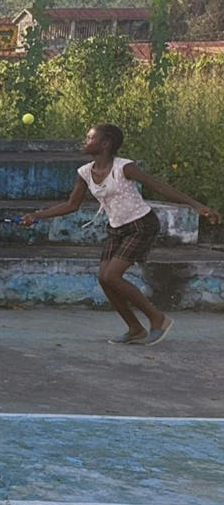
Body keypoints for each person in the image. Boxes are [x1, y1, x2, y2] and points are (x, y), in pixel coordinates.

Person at [20, 123, 221, 345]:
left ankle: (158, 318)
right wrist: (37, 216)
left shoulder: (124, 167)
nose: (85, 141)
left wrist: (197, 206)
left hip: (141, 224)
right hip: (117, 228)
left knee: (111, 275)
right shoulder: (85, 172)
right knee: (104, 278)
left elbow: (160, 187)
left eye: (90, 138)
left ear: (105, 144)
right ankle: (135, 329)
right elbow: (71, 204)